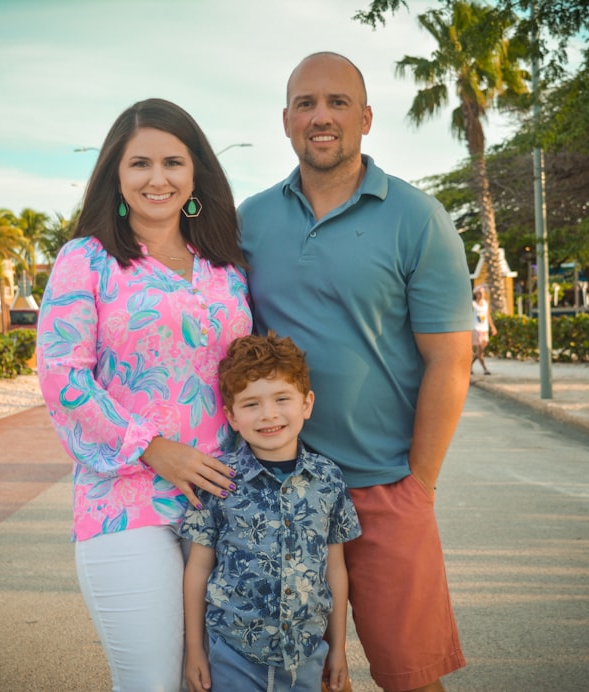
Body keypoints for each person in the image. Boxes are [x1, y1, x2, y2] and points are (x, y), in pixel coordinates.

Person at [238, 52, 473, 692]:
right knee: (291, 677)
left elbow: (450, 360)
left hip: (384, 490)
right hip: (277, 492)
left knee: (410, 676)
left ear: (366, 117)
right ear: (286, 120)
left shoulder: (417, 218)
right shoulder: (248, 222)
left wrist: (418, 485)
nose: (322, 116)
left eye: (338, 103)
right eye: (306, 104)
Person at [35, 98, 252, 691]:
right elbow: (62, 377)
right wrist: (156, 449)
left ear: (195, 173)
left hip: (223, 503)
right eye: (140, 164)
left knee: (216, 682)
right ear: (117, 176)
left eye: (173, 162)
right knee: (153, 684)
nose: (158, 179)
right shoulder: (86, 260)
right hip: (126, 503)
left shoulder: (226, 267)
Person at [180, 332, 360, 692]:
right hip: (233, 653)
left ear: (307, 404)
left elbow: (335, 568)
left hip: (306, 655)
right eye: (251, 405)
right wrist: (194, 650)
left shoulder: (328, 480)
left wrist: (338, 648)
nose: (269, 415)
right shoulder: (218, 479)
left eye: (282, 399)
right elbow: (198, 568)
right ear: (231, 415)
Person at [472, 286, 498, 375]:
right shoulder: (473, 304)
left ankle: (469, 366)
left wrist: (493, 327)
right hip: (476, 329)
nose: (481, 294)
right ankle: (485, 369)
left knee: (480, 351)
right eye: (479, 293)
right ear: (476, 294)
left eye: (483, 292)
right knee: (479, 351)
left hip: (485, 329)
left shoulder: (486, 303)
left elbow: (488, 316)